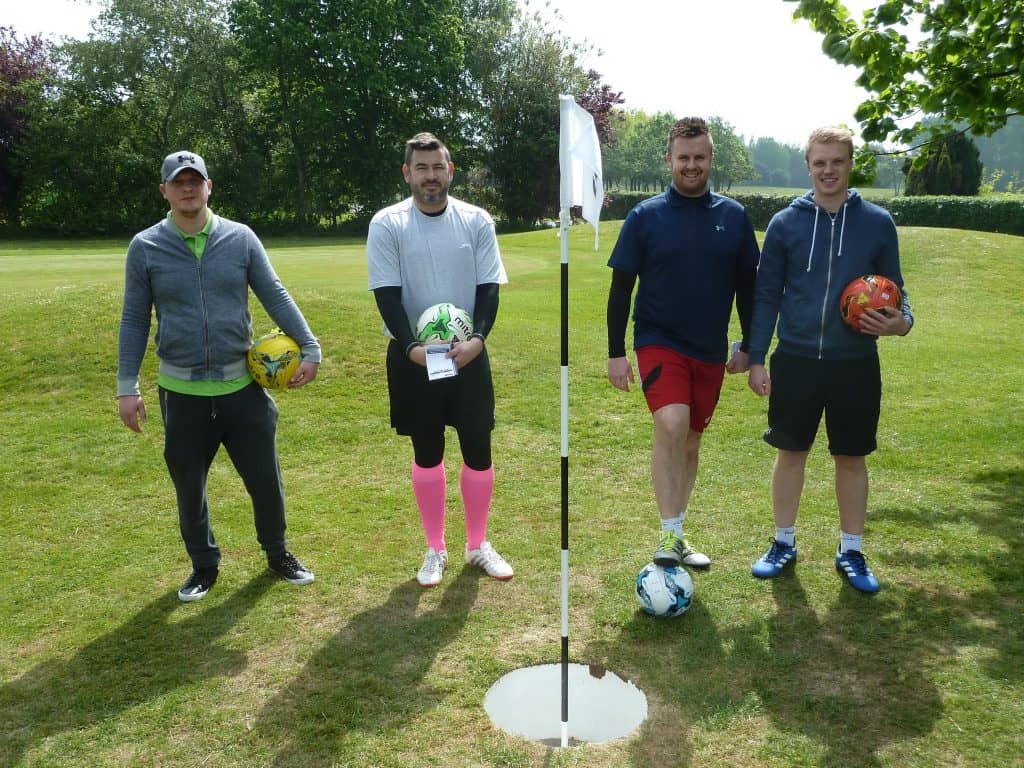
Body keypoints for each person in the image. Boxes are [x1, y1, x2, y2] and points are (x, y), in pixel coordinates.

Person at [118, 150, 321, 602]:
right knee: (189, 488)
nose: (188, 188)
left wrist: (310, 346)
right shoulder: (145, 247)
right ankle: (203, 565)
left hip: (243, 389)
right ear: (165, 191)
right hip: (181, 392)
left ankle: (278, 553)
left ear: (209, 186)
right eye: (179, 182)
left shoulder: (240, 238)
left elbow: (275, 294)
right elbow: (134, 319)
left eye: (196, 180)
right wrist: (126, 386)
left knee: (265, 480)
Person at [746, 126, 914, 593]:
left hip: (855, 362)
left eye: (837, 161)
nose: (828, 170)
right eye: (819, 162)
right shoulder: (785, 224)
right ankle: (783, 543)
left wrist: (902, 323)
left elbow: (897, 293)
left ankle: (851, 550)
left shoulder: (877, 223)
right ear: (808, 166)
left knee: (852, 457)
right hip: (796, 359)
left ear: (851, 163)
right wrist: (757, 357)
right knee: (791, 453)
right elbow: (766, 295)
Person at [607, 117, 759, 570]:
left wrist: (750, 348)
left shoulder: (733, 217)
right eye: (683, 157)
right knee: (673, 424)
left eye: (699, 157)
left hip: (709, 348)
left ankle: (678, 531)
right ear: (668, 159)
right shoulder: (645, 216)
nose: (691, 165)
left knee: (691, 440)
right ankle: (669, 534)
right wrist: (616, 353)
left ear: (711, 158)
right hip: (658, 339)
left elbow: (749, 289)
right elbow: (621, 289)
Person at [366, 131, 514, 587]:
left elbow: (488, 287)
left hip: (468, 355)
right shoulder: (388, 223)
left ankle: (477, 544)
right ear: (407, 173)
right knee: (427, 451)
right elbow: (386, 293)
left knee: (478, 449)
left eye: (438, 167)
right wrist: (412, 347)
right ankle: (435, 549)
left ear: (450, 171)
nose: (430, 176)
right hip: (414, 356)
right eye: (421, 168)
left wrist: (479, 339)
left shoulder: (476, 220)